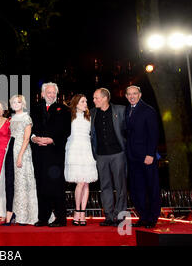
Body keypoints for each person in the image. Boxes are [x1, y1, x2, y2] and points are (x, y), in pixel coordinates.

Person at [0, 95, 38, 225]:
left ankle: (24, 215)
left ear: (23, 103)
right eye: (13, 102)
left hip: (21, 150)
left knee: (22, 182)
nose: (16, 104)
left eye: (18, 102)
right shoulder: (11, 119)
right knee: (11, 182)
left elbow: (26, 138)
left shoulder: (26, 117)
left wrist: (20, 155)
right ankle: (11, 214)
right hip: (10, 150)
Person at [30, 82, 71, 227]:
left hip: (55, 153)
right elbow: (30, 128)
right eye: (49, 92)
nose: (52, 95)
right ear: (42, 94)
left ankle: (61, 218)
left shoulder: (65, 110)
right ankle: (43, 217)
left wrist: (52, 139)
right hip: (39, 153)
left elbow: (66, 131)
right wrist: (33, 138)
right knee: (41, 184)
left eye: (54, 92)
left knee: (56, 186)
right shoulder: (34, 109)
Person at [91, 88, 127, 227]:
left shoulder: (120, 110)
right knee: (105, 186)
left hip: (118, 153)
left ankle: (120, 215)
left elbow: (128, 130)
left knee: (120, 186)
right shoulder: (92, 113)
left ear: (105, 98)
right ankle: (109, 216)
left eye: (96, 98)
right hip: (100, 155)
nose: (94, 100)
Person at [125, 85, 160, 229]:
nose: (132, 96)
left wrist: (150, 154)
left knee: (151, 188)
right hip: (132, 158)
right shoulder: (128, 110)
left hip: (146, 157)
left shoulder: (148, 110)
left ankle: (152, 218)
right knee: (137, 189)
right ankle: (143, 216)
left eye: (135, 93)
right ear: (126, 96)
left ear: (140, 95)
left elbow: (154, 134)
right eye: (129, 94)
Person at [64, 94, 98, 226]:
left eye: (86, 101)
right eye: (83, 101)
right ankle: (77, 211)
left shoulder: (90, 117)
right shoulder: (70, 117)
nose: (86, 103)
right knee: (80, 182)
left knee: (86, 183)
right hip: (74, 149)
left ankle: (82, 212)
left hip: (86, 150)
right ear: (76, 103)